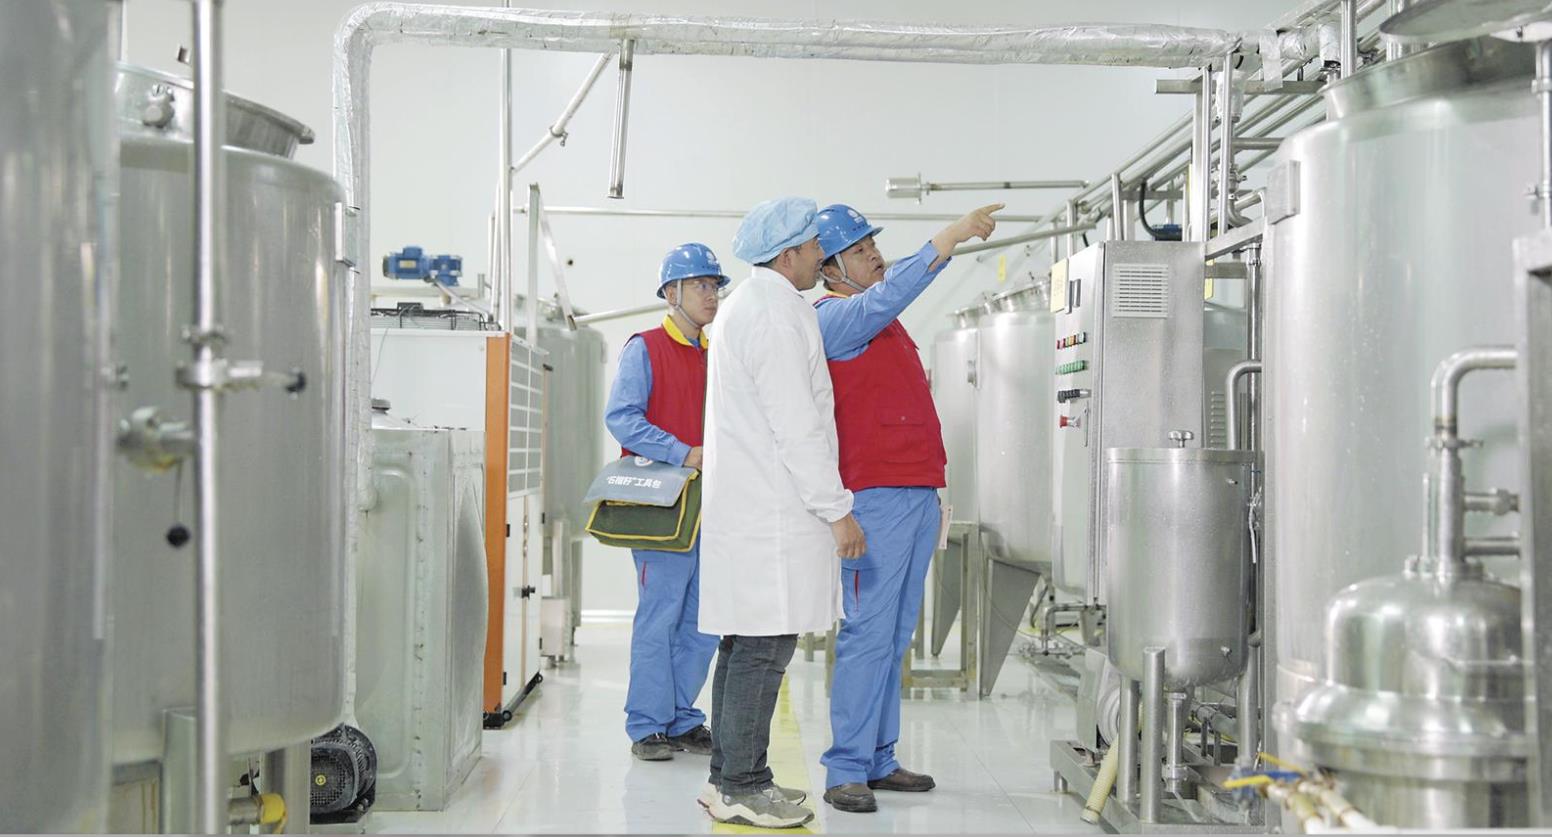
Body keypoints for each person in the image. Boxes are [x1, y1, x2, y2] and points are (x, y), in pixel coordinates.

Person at [811, 203, 1001, 814]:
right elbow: (888, 295)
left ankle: (878, 757)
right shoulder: (835, 317)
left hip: (917, 493)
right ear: (830, 267)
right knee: (868, 633)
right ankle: (845, 767)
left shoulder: (885, 324)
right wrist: (949, 238)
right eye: (859, 249)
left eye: (872, 244)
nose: (874, 254)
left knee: (895, 636)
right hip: (875, 495)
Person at [696, 197, 868, 829]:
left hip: (759, 511)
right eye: (816, 246)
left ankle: (729, 778)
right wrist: (837, 510)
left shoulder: (757, 305)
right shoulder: (770, 315)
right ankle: (742, 785)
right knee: (762, 650)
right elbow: (797, 427)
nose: (824, 255)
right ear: (789, 253)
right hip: (773, 514)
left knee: (746, 644)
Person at [603, 242, 728, 762]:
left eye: (714, 285)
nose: (711, 295)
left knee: (704, 617)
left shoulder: (717, 354)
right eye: (700, 285)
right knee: (660, 615)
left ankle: (681, 717)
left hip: (713, 505)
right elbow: (622, 418)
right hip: (663, 506)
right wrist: (683, 452)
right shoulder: (645, 348)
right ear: (671, 293)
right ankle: (647, 724)